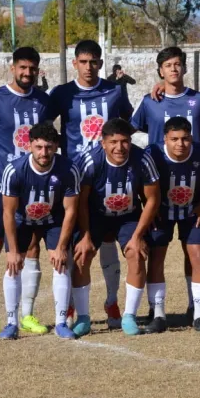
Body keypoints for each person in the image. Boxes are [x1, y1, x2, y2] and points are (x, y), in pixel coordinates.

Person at [49, 39, 134, 327]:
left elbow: (131, 122)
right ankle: (73, 305)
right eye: (83, 62)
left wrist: (157, 91)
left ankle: (111, 302)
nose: (88, 67)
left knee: (108, 238)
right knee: (76, 242)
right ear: (75, 63)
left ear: (101, 63)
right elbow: (43, 126)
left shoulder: (114, 91)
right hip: (72, 179)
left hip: (106, 177)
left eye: (93, 62)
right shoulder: (62, 93)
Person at [0, 46, 52, 338]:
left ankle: (27, 314)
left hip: (33, 188)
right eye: (22, 68)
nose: (27, 73)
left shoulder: (44, 101)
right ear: (12, 68)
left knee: (31, 248)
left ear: (38, 70)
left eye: (32, 68)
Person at [72, 118, 160, 336]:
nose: (119, 147)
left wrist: (138, 236)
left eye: (124, 141)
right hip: (96, 214)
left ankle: (129, 316)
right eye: (113, 142)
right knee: (82, 254)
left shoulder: (142, 159)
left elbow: (152, 199)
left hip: (128, 216)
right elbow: (81, 201)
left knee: (136, 254)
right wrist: (85, 235)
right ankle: (83, 317)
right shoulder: (90, 161)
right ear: (103, 143)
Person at [0, 124, 80, 340]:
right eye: (39, 147)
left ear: (56, 147)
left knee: (61, 263)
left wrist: (61, 247)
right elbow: (8, 212)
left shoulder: (68, 169)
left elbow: (71, 210)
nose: (44, 153)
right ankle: (11, 323)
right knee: (13, 265)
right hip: (22, 221)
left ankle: (61, 323)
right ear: (29, 146)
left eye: (49, 147)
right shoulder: (14, 170)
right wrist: (12, 251)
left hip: (53, 220)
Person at [145, 117, 200, 334]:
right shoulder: (152, 154)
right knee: (156, 258)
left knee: (198, 256)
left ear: (191, 138)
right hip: (161, 212)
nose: (180, 144)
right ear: (165, 139)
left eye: (185, 139)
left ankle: (199, 313)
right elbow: (142, 183)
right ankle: (158, 313)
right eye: (174, 139)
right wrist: (150, 207)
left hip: (192, 212)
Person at [132, 46, 200, 146]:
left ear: (184, 68)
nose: (173, 69)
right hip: (159, 156)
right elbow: (127, 131)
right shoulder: (149, 101)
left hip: (194, 156)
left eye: (177, 64)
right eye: (168, 65)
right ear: (161, 71)